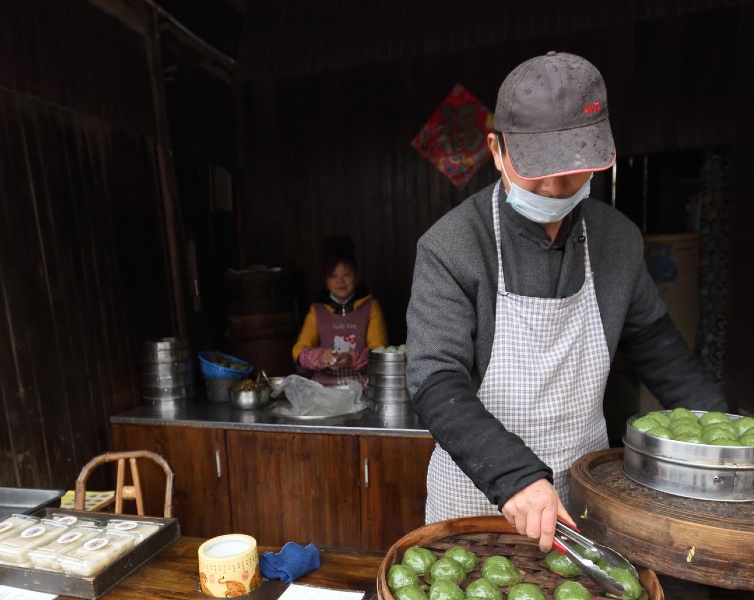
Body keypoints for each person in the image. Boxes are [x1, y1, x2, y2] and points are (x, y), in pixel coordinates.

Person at [406, 51, 728, 552]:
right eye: (537, 170)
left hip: (583, 500)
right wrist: (513, 476)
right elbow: (434, 379)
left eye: (572, 171)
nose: (555, 190)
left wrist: (725, 441)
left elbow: (656, 347)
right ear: (496, 150)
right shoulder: (451, 247)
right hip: (475, 501)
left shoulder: (616, 241)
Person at [292, 236, 388, 385]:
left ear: (356, 276)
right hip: (324, 390)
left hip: (362, 387)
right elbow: (299, 350)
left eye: (346, 274)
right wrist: (321, 357)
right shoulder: (317, 310)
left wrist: (351, 358)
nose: (340, 281)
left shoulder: (370, 306)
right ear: (326, 281)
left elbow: (379, 350)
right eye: (333, 276)